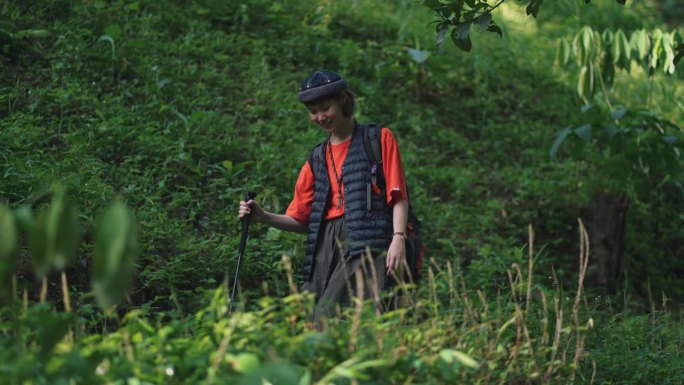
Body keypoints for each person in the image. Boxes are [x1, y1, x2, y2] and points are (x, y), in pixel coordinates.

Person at [238, 69, 409, 321]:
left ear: (343, 100)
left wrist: (398, 237)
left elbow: (398, 195)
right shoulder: (316, 158)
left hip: (365, 239)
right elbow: (301, 220)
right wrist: (263, 217)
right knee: (310, 318)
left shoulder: (378, 138)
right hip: (324, 246)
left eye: (325, 108)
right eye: (312, 111)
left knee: (328, 318)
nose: (319, 117)